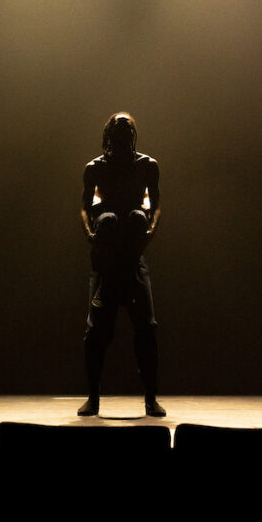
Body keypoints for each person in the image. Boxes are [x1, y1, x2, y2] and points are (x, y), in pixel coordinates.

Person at [78, 111, 165, 417]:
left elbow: (154, 207)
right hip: (105, 265)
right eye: (118, 124)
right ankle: (93, 397)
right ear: (108, 133)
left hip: (132, 261)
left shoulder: (147, 166)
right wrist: (90, 234)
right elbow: (85, 207)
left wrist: (150, 232)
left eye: (128, 125)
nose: (124, 127)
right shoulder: (94, 169)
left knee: (146, 329)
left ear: (134, 134)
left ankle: (151, 398)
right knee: (97, 331)